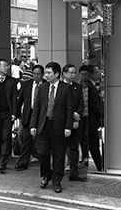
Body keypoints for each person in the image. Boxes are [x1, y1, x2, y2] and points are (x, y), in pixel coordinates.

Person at [30, 62, 73, 193]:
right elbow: (37, 108)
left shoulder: (66, 88)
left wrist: (68, 127)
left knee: (59, 155)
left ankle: (56, 181)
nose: (46, 75)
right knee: (43, 153)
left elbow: (69, 109)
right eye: (46, 73)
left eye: (48, 73)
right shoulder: (42, 87)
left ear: (56, 74)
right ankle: (46, 174)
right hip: (44, 125)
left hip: (59, 126)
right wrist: (33, 125)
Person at [15, 64, 45, 171]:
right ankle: (23, 162)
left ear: (42, 75)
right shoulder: (27, 85)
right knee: (26, 138)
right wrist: (17, 113)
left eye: (39, 74)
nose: (36, 76)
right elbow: (21, 100)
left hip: (42, 115)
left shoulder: (46, 85)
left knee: (41, 138)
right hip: (29, 114)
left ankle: (42, 159)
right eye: (34, 74)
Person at [62, 64, 86, 181]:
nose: (73, 75)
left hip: (76, 122)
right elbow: (60, 106)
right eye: (71, 72)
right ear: (64, 73)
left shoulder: (77, 87)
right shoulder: (60, 87)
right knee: (61, 147)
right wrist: (72, 115)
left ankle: (74, 172)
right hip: (62, 122)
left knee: (74, 148)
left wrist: (77, 117)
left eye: (74, 73)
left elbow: (81, 104)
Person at [87, 64, 104, 171]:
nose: (99, 74)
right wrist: (102, 114)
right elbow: (94, 105)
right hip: (91, 120)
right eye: (96, 72)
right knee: (93, 144)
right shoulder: (88, 86)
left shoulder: (93, 85)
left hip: (94, 120)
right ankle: (100, 165)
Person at [78, 65, 89, 166]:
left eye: (85, 74)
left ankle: (87, 156)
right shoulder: (77, 85)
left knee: (88, 135)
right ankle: (84, 155)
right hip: (81, 115)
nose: (83, 76)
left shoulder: (92, 85)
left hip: (89, 115)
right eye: (82, 74)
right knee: (81, 136)